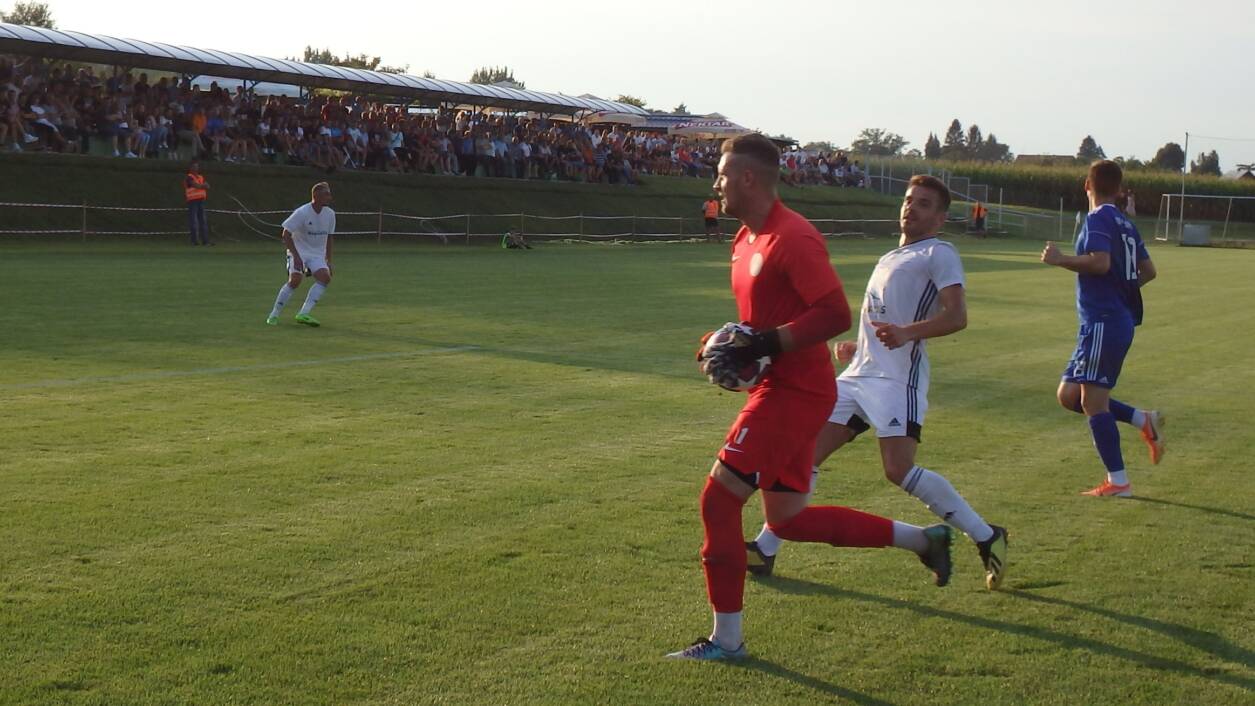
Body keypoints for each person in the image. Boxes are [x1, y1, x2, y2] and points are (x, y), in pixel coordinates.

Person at [667, 136, 955, 662]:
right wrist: (723, 343)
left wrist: (764, 344)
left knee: (719, 499)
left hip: (796, 392)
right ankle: (925, 540)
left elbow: (833, 315)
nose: (716, 183)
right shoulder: (744, 239)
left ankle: (726, 641)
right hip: (787, 387)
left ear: (748, 178)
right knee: (787, 519)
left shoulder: (793, 237)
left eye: (723, 175)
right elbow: (760, 325)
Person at [746, 175, 1009, 590]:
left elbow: (956, 316)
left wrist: (907, 333)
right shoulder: (890, 255)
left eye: (924, 204)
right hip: (858, 375)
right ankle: (766, 548)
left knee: (898, 469)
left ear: (940, 218)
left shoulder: (939, 252)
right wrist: (860, 345)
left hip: (896, 380)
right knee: (804, 455)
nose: (911, 208)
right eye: (909, 200)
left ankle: (986, 535)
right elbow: (885, 317)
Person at [1040, 160, 1162, 497]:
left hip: (1104, 321)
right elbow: (1149, 271)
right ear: (1120, 190)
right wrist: (1123, 288)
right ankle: (1142, 420)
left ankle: (1119, 482)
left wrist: (1061, 259)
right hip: (1109, 321)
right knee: (1069, 396)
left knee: (1094, 403)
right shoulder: (1126, 223)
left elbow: (1100, 262)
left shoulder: (1097, 218)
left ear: (1086, 185)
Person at [267, 182, 336, 327]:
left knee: (325, 278)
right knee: (295, 280)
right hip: (299, 251)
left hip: (316, 254)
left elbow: (330, 237)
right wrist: (296, 257)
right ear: (316, 195)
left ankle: (303, 313)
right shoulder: (302, 212)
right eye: (326, 194)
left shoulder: (330, 214)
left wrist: (328, 260)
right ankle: (274, 314)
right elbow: (286, 234)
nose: (329, 197)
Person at [185, 160, 211, 246]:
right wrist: (203, 186)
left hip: (201, 200)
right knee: (194, 221)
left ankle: (205, 241)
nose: (196, 168)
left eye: (197, 166)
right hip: (193, 201)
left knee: (203, 221)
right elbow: (195, 185)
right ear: (190, 168)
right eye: (194, 166)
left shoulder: (200, 177)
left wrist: (203, 186)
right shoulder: (189, 177)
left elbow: (207, 186)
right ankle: (194, 241)